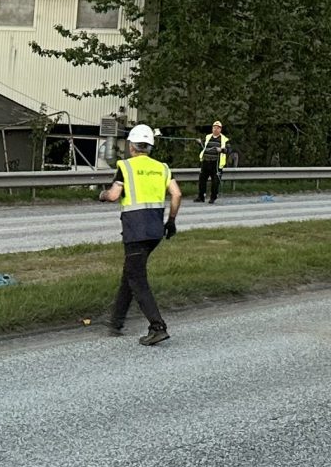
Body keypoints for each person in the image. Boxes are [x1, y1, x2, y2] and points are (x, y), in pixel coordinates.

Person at [97, 123, 179, 345]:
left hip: (135, 230)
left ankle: (157, 326)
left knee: (137, 278)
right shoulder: (162, 168)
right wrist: (171, 221)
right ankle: (116, 322)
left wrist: (102, 194)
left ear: (132, 146)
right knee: (130, 273)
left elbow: (114, 195)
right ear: (149, 147)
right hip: (155, 230)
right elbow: (177, 194)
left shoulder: (126, 166)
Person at [197, 120, 231, 204]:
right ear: (212, 128)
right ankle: (201, 197)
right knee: (202, 180)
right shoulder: (207, 137)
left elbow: (229, 150)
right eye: (214, 127)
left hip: (216, 163)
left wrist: (221, 150)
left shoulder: (224, 139)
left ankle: (213, 197)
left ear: (220, 129)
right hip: (206, 161)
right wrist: (199, 143)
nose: (215, 129)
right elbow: (203, 147)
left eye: (218, 128)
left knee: (215, 182)